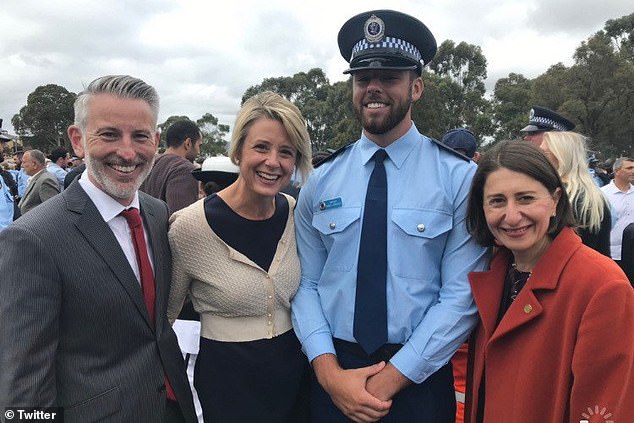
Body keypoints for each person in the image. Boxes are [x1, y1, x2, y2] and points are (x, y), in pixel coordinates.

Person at [291, 10, 488, 422]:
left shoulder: (459, 179)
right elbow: (306, 284)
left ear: (416, 87)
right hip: (333, 371)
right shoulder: (320, 181)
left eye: (390, 77)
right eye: (363, 79)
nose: (373, 88)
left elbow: (461, 296)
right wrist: (330, 376)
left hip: (418, 377)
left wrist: (389, 380)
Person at [0, 75, 197, 422]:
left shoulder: (156, 212)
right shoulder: (32, 239)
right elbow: (23, 388)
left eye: (139, 137)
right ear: (77, 140)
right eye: (109, 134)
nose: (127, 151)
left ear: (154, 141)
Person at [167, 91, 313, 422]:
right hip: (227, 387)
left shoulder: (294, 214)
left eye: (286, 152)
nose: (273, 162)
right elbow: (163, 320)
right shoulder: (191, 227)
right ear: (238, 150)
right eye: (261, 147)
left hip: (294, 382)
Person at [464, 140, 633, 423]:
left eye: (526, 198)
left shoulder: (602, 286)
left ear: (555, 200)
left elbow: (604, 410)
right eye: (497, 201)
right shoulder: (492, 274)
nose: (512, 215)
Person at [539, 131, 611, 256]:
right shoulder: (595, 197)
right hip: (593, 268)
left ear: (561, 156)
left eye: (543, 153)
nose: (538, 157)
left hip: (563, 270)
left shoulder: (559, 195)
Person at [141, 119, 203, 213]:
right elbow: (180, 218)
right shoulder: (184, 169)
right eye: (199, 145)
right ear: (188, 143)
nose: (199, 152)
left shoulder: (150, 163)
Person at [601, 157, 634, 272]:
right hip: (611, 253)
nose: (633, 171)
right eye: (629, 168)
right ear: (617, 171)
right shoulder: (602, 194)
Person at [18, 149, 60, 215]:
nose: (22, 166)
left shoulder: (46, 180)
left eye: (24, 162)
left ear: (34, 164)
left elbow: (53, 211)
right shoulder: (38, 178)